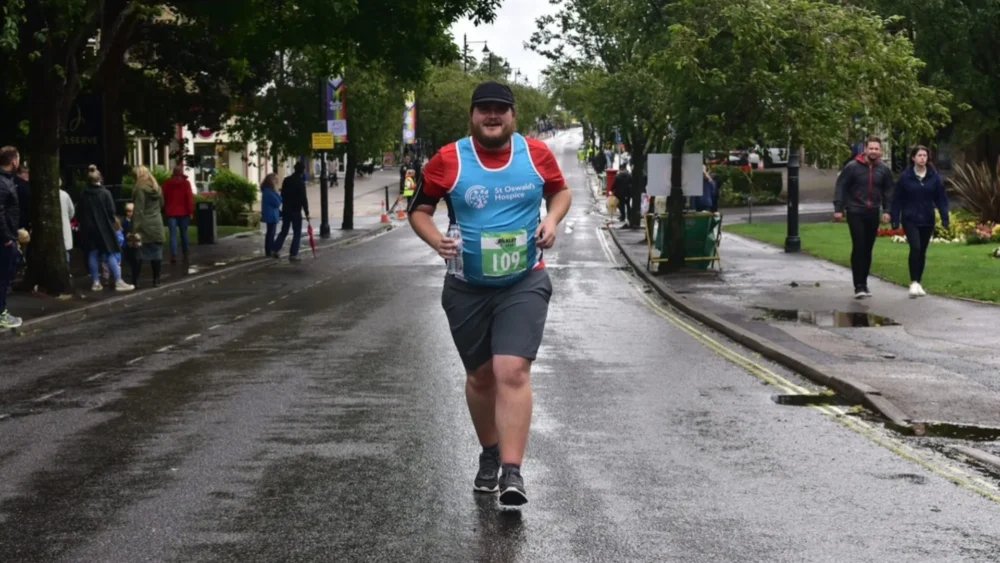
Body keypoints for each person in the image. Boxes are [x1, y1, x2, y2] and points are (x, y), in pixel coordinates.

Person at [408, 81, 573, 507]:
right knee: (481, 377)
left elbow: (560, 191)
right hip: (466, 287)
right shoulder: (449, 159)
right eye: (485, 109)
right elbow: (419, 210)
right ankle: (490, 453)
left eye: (501, 109)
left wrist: (552, 221)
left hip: (524, 279)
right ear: (473, 115)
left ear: (513, 115)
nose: (493, 116)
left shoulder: (536, 154)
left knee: (511, 371)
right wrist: (435, 241)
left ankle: (512, 474)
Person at [834, 136, 893, 299]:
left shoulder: (884, 170)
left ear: (880, 151)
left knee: (867, 248)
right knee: (859, 245)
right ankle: (858, 285)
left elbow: (888, 192)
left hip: (873, 211)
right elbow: (841, 186)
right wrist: (839, 207)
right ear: (865, 149)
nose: (873, 151)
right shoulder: (852, 167)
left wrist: (887, 211)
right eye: (871, 148)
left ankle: (864, 283)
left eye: (876, 149)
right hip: (855, 210)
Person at [890, 145, 949, 298]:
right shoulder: (906, 177)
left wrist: (945, 218)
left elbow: (941, 199)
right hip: (910, 218)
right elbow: (897, 199)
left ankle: (919, 282)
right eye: (920, 155)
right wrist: (895, 219)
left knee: (922, 251)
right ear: (913, 158)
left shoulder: (934, 177)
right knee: (915, 247)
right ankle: (913, 282)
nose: (923, 158)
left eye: (925, 155)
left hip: (927, 218)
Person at [79, 165, 134, 292]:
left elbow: (80, 211)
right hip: (104, 228)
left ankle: (95, 282)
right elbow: (111, 211)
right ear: (100, 179)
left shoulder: (84, 194)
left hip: (89, 228)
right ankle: (118, 281)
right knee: (110, 253)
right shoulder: (105, 193)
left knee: (92, 254)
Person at [131, 165, 166, 287]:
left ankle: (136, 281)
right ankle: (156, 279)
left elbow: (139, 210)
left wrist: (134, 229)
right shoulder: (157, 188)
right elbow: (161, 204)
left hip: (144, 224)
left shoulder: (140, 189)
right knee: (156, 253)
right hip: (157, 222)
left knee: (139, 253)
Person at [0, 146, 22, 328]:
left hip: (7, 236)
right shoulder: (3, 182)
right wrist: (7, 237)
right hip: (5, 239)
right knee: (4, 278)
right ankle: (1, 314)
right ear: (13, 161)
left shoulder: (6, 181)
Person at [274, 162, 310, 262]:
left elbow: (283, 195)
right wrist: (306, 212)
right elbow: (303, 198)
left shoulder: (287, 180)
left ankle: (275, 248)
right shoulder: (300, 182)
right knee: (297, 233)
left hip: (286, 209)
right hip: (296, 210)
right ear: (302, 170)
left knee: (284, 230)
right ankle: (293, 254)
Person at [162, 165, 195, 264]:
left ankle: (174, 254)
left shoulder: (167, 184)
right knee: (184, 234)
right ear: (181, 172)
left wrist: (165, 209)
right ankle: (185, 253)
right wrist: (190, 211)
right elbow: (189, 199)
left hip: (171, 212)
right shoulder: (186, 183)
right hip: (184, 212)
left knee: (173, 235)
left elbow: (163, 197)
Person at [260, 173, 282, 257]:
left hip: (272, 214)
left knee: (271, 233)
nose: (277, 181)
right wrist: (277, 194)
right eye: (275, 180)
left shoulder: (268, 191)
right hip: (271, 215)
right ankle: (269, 250)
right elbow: (277, 202)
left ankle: (270, 250)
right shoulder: (269, 192)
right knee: (270, 233)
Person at [60, 184, 75, 266]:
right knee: (65, 249)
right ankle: (67, 269)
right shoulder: (65, 195)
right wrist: (67, 219)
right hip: (64, 225)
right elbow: (72, 210)